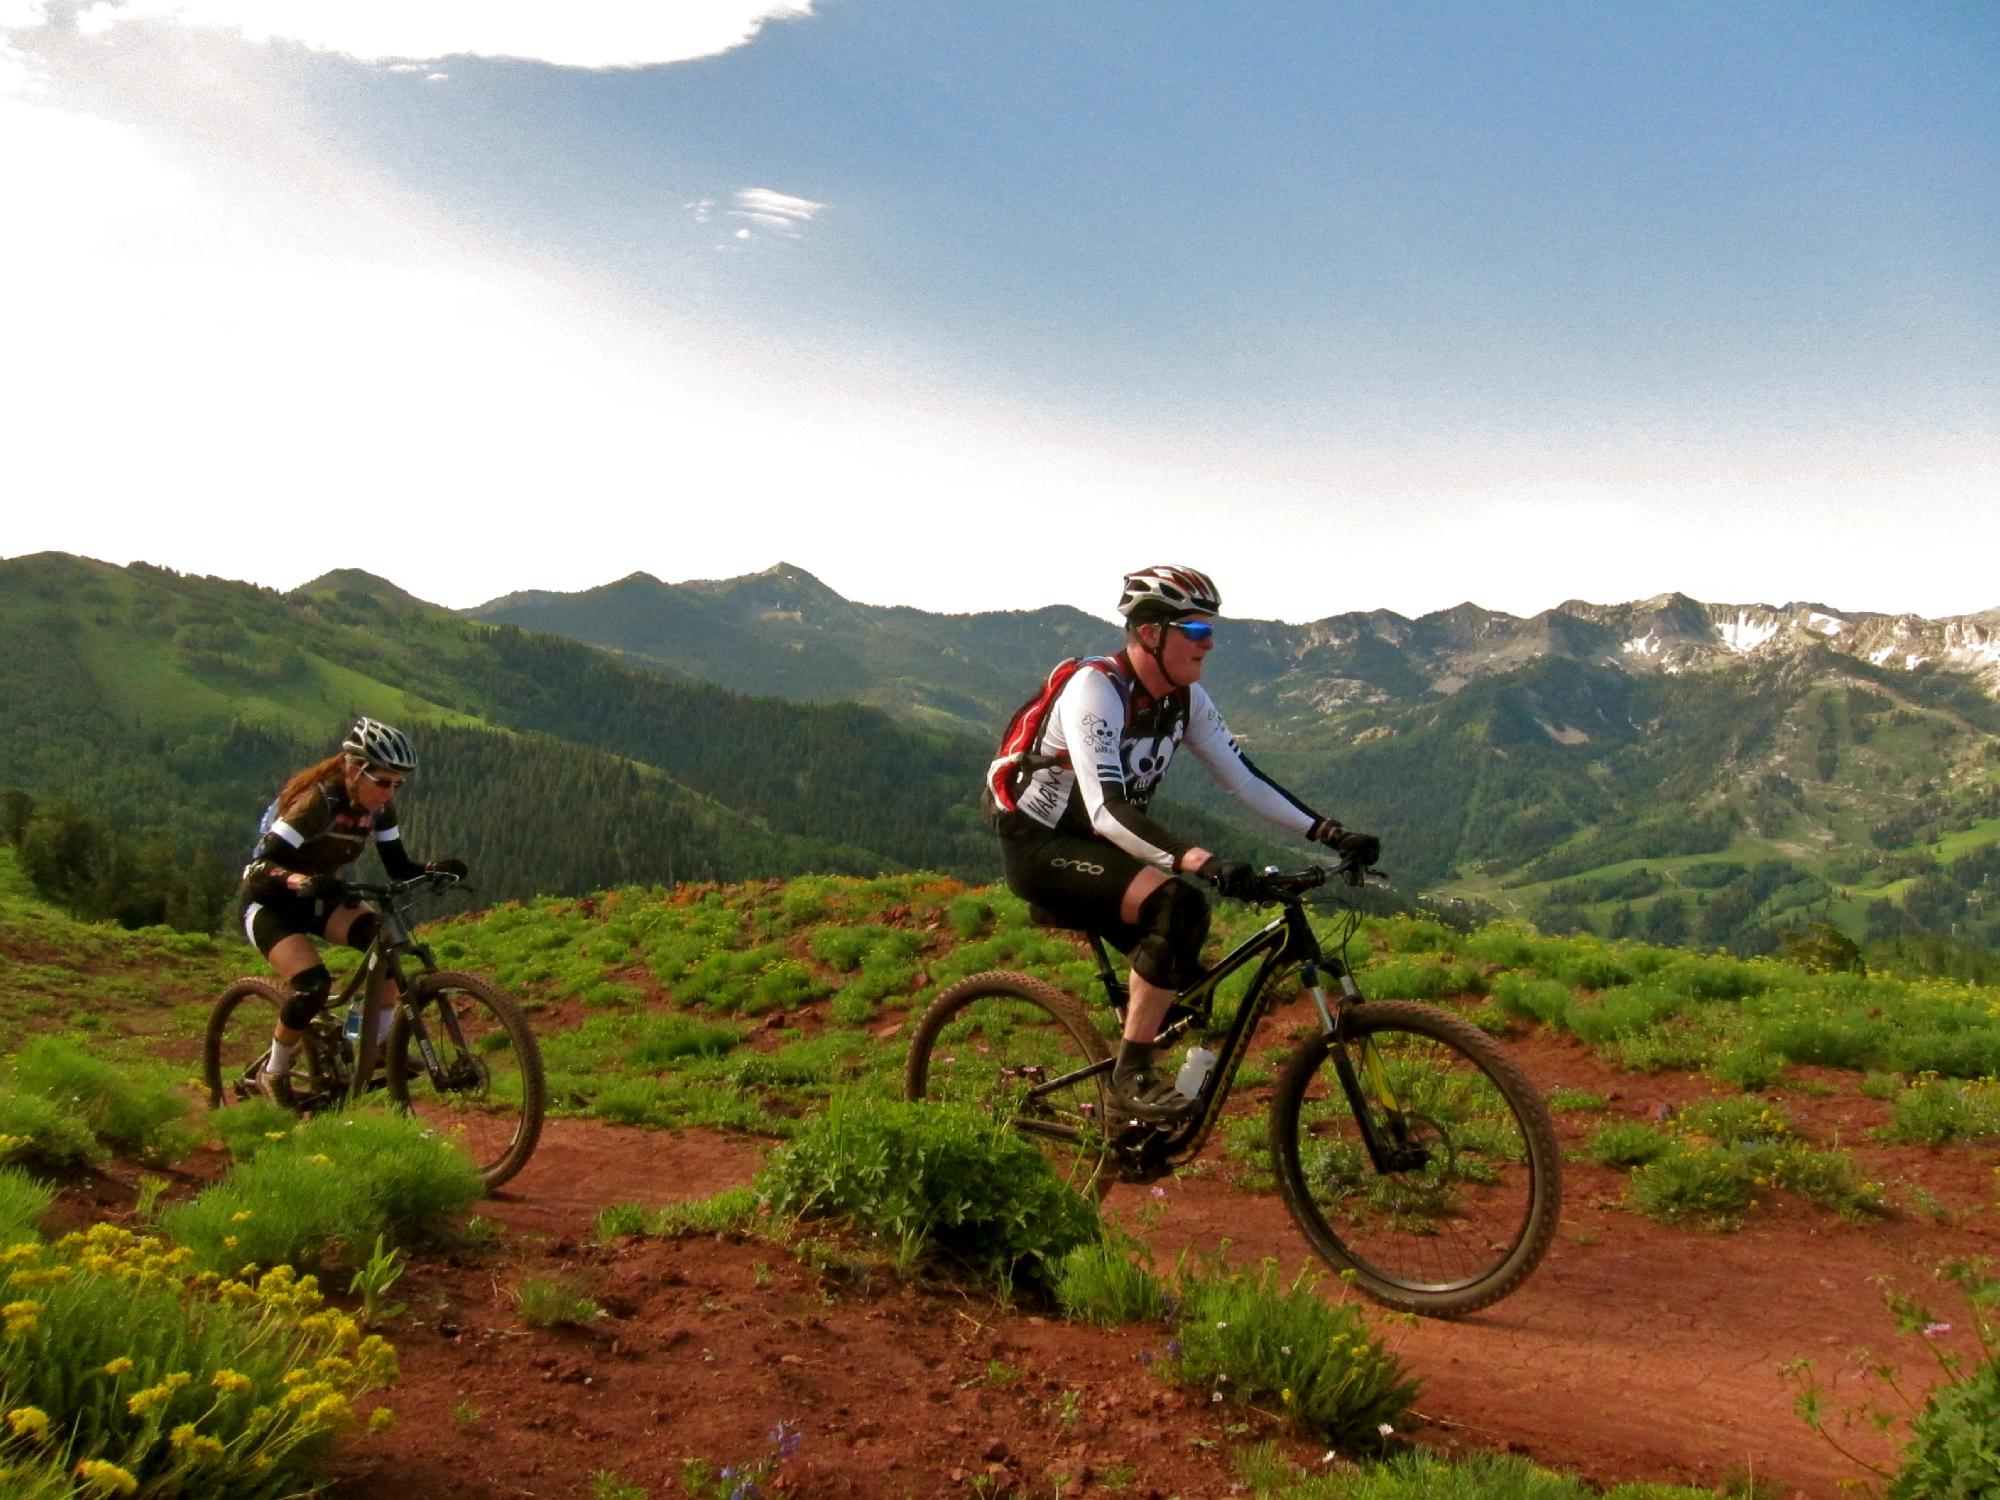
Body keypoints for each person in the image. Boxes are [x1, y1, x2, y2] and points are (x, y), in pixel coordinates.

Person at [993, 566, 1380, 1120]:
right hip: (1041, 845)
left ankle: (1127, 1106)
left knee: (1188, 974)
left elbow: (1244, 778)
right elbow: (1107, 810)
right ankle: (1130, 1079)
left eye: (1209, 631)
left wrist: (1329, 831)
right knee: (1176, 903)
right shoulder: (1096, 689)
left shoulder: (1185, 700)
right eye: (1197, 631)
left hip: (1107, 845)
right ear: (1151, 633)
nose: (1210, 643)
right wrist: (1200, 860)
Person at [236, 717, 466, 1105]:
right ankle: (274, 1071)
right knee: (312, 985)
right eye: (382, 781)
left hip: (320, 895)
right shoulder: (316, 802)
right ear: (353, 768)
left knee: (387, 943)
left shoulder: (380, 809)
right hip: (269, 901)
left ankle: (371, 1044)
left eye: (398, 784)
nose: (389, 792)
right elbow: (260, 867)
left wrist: (433, 869)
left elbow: (398, 866)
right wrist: (299, 882)